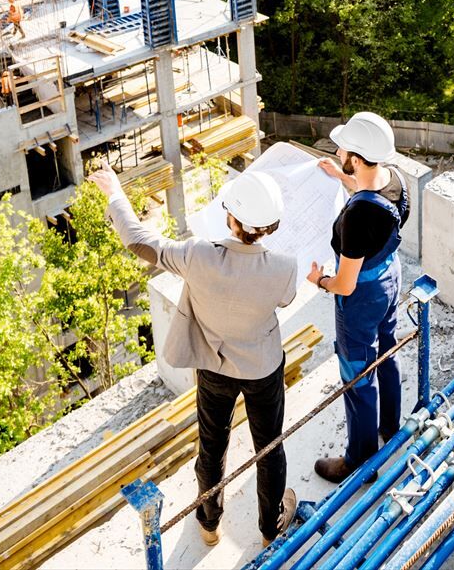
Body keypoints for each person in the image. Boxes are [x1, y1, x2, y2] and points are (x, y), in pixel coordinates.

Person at [88, 166, 299, 546]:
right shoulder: (284, 267)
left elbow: (138, 241)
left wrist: (115, 193)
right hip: (262, 369)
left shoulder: (198, 255)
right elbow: (285, 300)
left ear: (231, 217)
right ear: (270, 226)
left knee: (212, 445)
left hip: (213, 367)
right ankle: (271, 529)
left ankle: (209, 523)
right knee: (269, 448)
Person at [306, 111, 409, 483]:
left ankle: (360, 461)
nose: (338, 152)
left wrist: (320, 280)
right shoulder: (395, 179)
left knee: (357, 373)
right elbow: (371, 196)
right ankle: (391, 427)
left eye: (344, 150)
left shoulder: (356, 217)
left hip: (362, 295)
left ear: (358, 157)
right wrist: (342, 177)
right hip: (390, 277)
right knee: (387, 350)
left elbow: (345, 284)